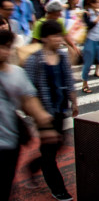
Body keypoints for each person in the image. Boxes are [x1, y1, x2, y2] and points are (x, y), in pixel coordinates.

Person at [24, 20, 78, 201]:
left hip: (60, 109)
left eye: (60, 36)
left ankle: (33, 166)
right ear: (45, 38)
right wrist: (38, 114)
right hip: (44, 114)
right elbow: (29, 90)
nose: (59, 40)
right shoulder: (35, 60)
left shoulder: (62, 57)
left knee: (58, 145)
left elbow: (69, 80)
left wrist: (74, 102)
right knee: (49, 153)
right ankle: (58, 189)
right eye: (55, 36)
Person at [0, 30, 56, 201]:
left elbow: (29, 101)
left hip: (8, 144)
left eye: (7, 47)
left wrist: (45, 124)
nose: (5, 51)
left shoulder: (16, 73)